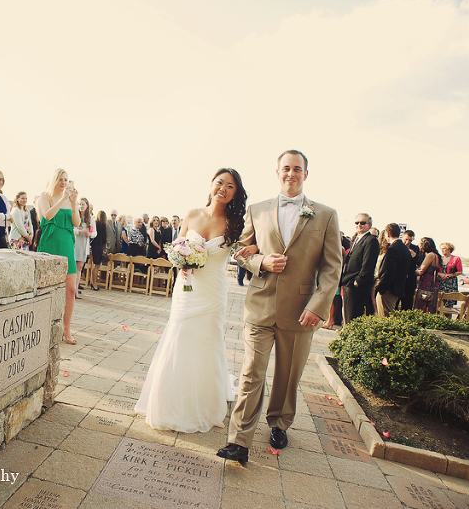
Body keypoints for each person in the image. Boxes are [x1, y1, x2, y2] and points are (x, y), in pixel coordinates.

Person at [218, 150, 342, 464]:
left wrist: (319, 305)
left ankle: (279, 423)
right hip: (259, 306)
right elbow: (240, 251)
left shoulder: (326, 214)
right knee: (251, 373)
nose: (291, 174)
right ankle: (239, 440)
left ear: (305, 174)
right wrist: (261, 261)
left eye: (297, 169)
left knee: (288, 376)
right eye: (285, 168)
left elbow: (331, 268)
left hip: (302, 310)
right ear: (277, 173)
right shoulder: (257, 209)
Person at [135, 168, 247, 433]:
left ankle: (204, 403)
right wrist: (181, 264)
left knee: (207, 340)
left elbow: (247, 249)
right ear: (211, 185)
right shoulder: (192, 214)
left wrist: (253, 250)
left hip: (214, 290)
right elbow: (177, 248)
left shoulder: (236, 223)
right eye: (219, 182)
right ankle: (169, 402)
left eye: (230, 186)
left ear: (235, 193)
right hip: (187, 287)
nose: (223, 188)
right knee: (180, 334)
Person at [37, 169, 80, 344]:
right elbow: (47, 215)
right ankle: (42, 326)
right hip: (50, 244)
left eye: (66, 180)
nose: (64, 182)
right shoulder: (44, 196)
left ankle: (66, 329)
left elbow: (76, 222)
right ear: (54, 180)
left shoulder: (70, 199)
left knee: (70, 289)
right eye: (60, 179)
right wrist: (62, 199)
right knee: (45, 289)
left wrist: (74, 203)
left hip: (67, 245)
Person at [341, 213, 378, 323]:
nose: (359, 225)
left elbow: (368, 264)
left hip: (357, 286)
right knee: (347, 316)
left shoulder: (371, 240)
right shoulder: (357, 238)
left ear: (369, 225)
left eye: (363, 223)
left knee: (353, 317)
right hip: (348, 282)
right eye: (357, 223)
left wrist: (357, 281)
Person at [374, 223, 411, 317]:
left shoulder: (393, 249)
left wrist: (381, 288)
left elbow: (388, 271)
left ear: (387, 234)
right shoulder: (405, 248)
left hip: (388, 290)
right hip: (398, 289)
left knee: (384, 318)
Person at [74, 198, 96, 296]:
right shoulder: (74, 216)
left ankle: (75, 290)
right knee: (72, 268)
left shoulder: (90, 219)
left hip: (84, 245)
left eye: (83, 204)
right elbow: (70, 229)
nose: (81, 206)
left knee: (79, 268)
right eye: (79, 204)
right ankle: (70, 289)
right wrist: (80, 231)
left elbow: (95, 232)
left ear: (87, 206)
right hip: (74, 244)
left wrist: (89, 234)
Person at [414, 237, 442, 313]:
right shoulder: (437, 256)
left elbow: (421, 271)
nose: (418, 245)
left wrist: (410, 271)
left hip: (426, 283)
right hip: (434, 283)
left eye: (420, 244)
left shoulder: (430, 255)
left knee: (421, 307)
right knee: (431, 308)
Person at [438, 242, 464, 308]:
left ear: (449, 249)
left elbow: (460, 271)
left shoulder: (456, 258)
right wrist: (441, 275)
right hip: (441, 282)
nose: (442, 250)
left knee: (449, 303)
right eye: (441, 249)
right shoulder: (439, 258)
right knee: (439, 302)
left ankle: (448, 317)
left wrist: (449, 275)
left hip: (451, 283)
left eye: (444, 248)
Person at [400, 230, 420, 310]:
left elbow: (419, 262)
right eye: (406, 239)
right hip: (399, 280)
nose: (408, 242)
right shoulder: (397, 246)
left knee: (407, 305)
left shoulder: (415, 248)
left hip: (409, 281)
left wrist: (414, 255)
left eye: (410, 240)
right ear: (402, 237)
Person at [89, 211, 107, 290]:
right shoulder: (103, 225)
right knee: (97, 265)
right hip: (99, 246)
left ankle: (93, 282)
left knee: (95, 265)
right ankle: (94, 283)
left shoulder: (95, 224)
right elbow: (104, 238)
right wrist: (105, 248)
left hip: (93, 246)